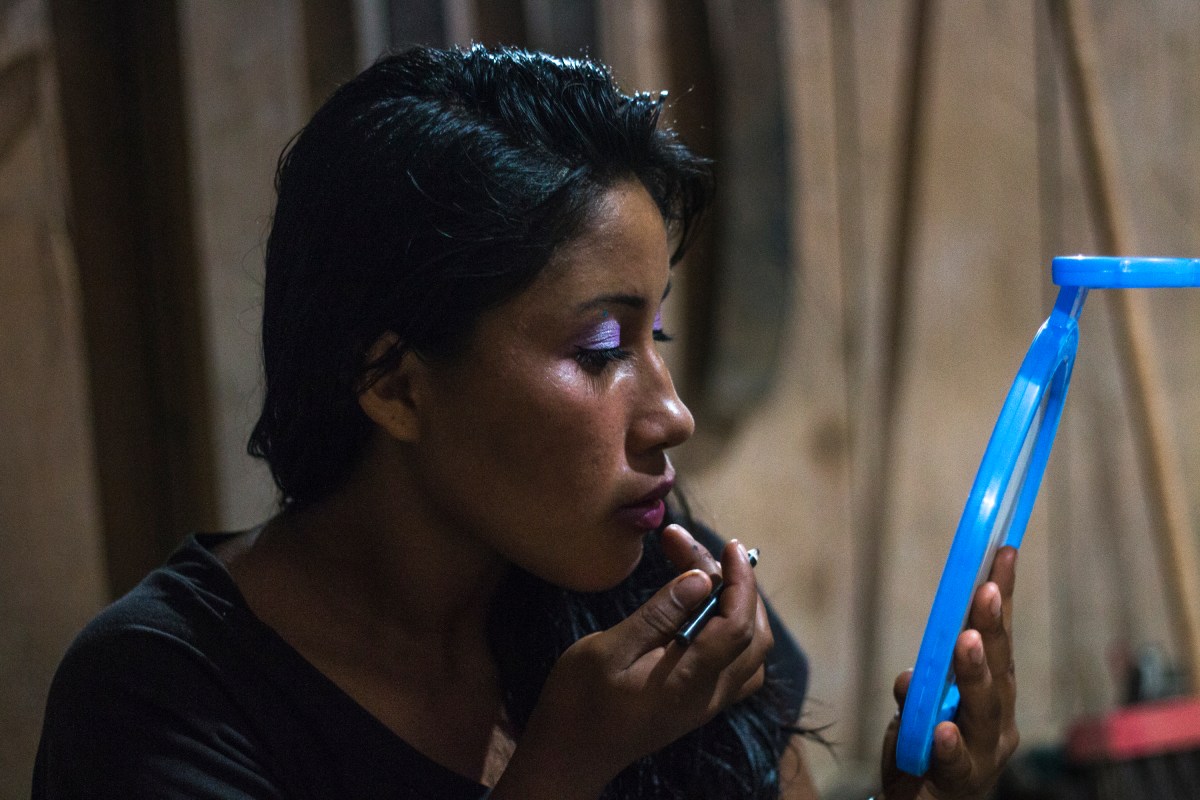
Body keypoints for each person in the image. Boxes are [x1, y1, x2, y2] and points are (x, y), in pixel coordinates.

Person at [33, 44, 1018, 799]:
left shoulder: (650, 602)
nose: (672, 414)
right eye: (600, 350)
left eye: (657, 333)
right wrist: (562, 771)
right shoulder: (164, 696)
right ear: (395, 386)